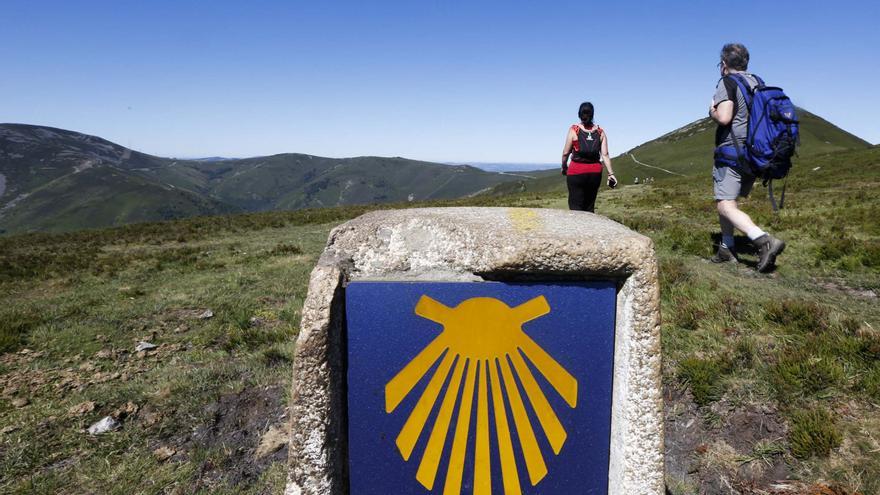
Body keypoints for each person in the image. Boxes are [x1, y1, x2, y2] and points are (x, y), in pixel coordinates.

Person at [709, 43, 785, 272]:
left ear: (724, 64)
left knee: (725, 205)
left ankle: (763, 239)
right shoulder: (757, 82)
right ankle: (727, 247)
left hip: (732, 151)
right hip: (756, 152)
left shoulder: (728, 82)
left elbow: (724, 117)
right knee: (727, 201)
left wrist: (711, 110)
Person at [561, 102, 617, 212]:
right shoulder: (600, 132)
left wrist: (564, 167)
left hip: (576, 172)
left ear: (579, 114)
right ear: (592, 115)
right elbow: (605, 154)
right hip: (595, 173)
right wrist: (611, 174)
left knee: (575, 206)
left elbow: (565, 153)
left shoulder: (574, 130)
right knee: (589, 206)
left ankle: (577, 228)